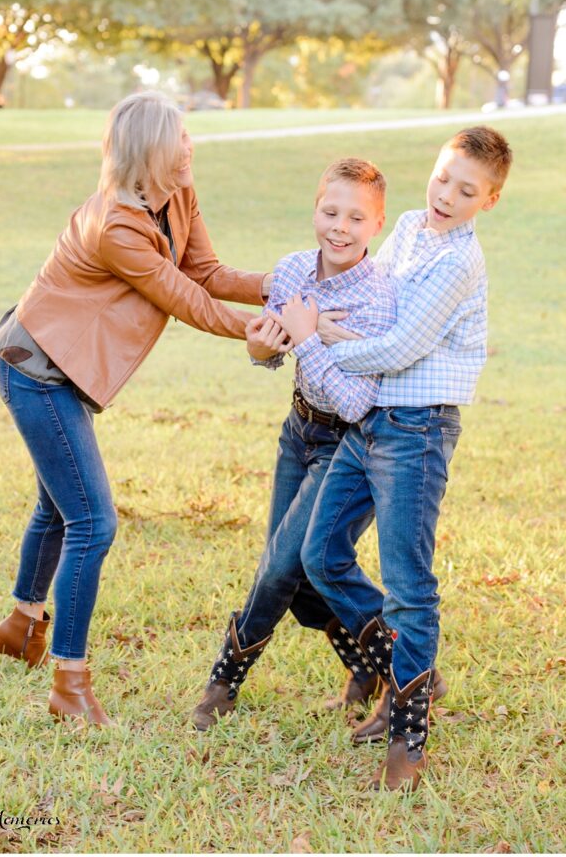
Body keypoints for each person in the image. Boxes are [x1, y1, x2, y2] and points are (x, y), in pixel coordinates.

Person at [0, 91, 270, 725]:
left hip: (61, 371)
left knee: (57, 508)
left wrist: (288, 284)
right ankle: (69, 680)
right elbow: (183, 298)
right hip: (33, 370)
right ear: (150, 150)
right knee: (93, 520)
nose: (190, 147)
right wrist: (258, 332)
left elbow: (208, 271)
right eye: (179, 138)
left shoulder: (177, 196)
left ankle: (19, 626)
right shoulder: (114, 222)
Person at [276, 126, 513, 791]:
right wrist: (319, 327)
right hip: (370, 417)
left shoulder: (461, 262)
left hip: (418, 428)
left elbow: (398, 347)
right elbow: (373, 316)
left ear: (487, 201)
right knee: (321, 556)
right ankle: (414, 673)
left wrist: (313, 340)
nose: (446, 195)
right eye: (443, 178)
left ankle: (409, 739)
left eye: (466, 190)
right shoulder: (407, 226)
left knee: (409, 584)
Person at [191, 156, 399, 731]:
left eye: (356, 218)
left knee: (285, 563)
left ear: (376, 225)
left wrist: (308, 341)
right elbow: (269, 352)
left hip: (347, 445)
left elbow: (358, 403)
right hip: (297, 432)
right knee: (291, 571)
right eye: (330, 211)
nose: (340, 226)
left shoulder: (379, 298)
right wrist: (261, 351)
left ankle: (224, 680)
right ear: (315, 208)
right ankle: (363, 672)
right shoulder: (289, 273)